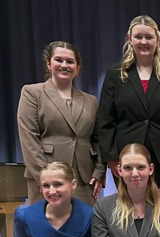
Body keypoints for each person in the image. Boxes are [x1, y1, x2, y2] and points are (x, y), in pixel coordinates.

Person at [98, 15, 160, 195]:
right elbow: (106, 120)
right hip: (127, 158)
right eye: (138, 36)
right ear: (130, 40)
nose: (144, 41)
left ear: (157, 41)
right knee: (130, 211)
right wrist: (110, 157)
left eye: (149, 37)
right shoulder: (115, 75)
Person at [17, 41, 104, 206]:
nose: (65, 65)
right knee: (47, 228)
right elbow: (29, 139)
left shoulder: (91, 100)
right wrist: (46, 179)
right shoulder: (32, 93)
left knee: (83, 229)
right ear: (49, 64)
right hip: (46, 178)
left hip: (84, 180)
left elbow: (99, 140)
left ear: (77, 68)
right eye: (59, 60)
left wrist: (99, 172)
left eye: (70, 61)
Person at [14, 162, 95, 237]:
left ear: (73, 184)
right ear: (41, 188)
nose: (52, 191)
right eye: (46, 186)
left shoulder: (90, 216)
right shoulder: (24, 216)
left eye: (58, 184)